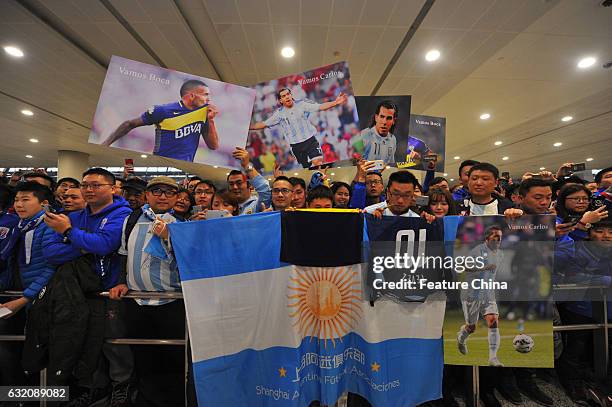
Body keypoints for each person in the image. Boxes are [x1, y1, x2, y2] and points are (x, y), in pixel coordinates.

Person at [43, 168, 133, 407]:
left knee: (114, 343)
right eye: (85, 185)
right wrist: (84, 243)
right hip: (79, 291)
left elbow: (106, 244)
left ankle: (121, 386)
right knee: (87, 341)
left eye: (96, 185)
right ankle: (94, 388)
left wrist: (70, 234)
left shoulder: (123, 215)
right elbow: (51, 253)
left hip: (111, 290)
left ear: (113, 188)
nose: (89, 190)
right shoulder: (75, 216)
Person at [109, 176, 184, 407]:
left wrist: (171, 236)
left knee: (172, 358)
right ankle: (145, 398)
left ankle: (172, 399)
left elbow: (191, 260)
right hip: (137, 302)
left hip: (171, 303)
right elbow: (123, 255)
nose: (162, 196)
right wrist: (122, 281)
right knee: (142, 356)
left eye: (169, 192)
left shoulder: (183, 224)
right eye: (157, 191)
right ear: (147, 195)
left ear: (176, 197)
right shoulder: (131, 220)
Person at [556, 220, 612, 404]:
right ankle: (573, 383)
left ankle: (600, 385)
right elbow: (571, 275)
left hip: (608, 309)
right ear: (589, 233)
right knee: (576, 348)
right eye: (600, 231)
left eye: (610, 231)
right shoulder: (578, 249)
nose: (606, 235)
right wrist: (603, 280)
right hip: (580, 306)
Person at [103, 79, 219, 162]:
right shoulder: (163, 110)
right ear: (192, 96)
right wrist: (105, 144)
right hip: (159, 163)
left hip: (185, 168)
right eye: (205, 95)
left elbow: (213, 146)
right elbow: (129, 124)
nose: (208, 99)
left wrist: (211, 120)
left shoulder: (203, 114)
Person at [249, 87, 348, 168]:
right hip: (296, 146)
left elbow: (320, 107)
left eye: (288, 94)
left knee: (318, 163)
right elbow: (263, 124)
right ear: (280, 100)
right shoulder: (279, 114)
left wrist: (335, 102)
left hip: (310, 141)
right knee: (307, 168)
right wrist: (248, 127)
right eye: (284, 96)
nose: (287, 97)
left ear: (291, 95)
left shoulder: (302, 104)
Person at [0, 182, 56, 316]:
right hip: (18, 292)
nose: (19, 205)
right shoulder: (19, 226)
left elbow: (53, 268)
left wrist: (25, 298)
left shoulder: (51, 226)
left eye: (25, 200)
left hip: (41, 298)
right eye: (16, 200)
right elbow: (9, 263)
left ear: (44, 203)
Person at [456, 226, 505, 367]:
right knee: (471, 327)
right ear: (487, 238)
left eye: (499, 237)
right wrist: (483, 267)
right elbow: (464, 266)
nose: (498, 240)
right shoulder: (477, 251)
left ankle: (493, 359)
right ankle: (461, 338)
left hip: (488, 293)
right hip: (472, 293)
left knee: (493, 321)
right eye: (495, 237)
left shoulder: (500, 254)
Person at [227, 147, 271, 215]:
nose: (235, 187)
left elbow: (265, 190)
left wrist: (247, 165)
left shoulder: (256, 206)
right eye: (231, 184)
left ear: (250, 185)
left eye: (239, 183)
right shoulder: (225, 207)